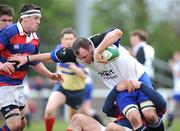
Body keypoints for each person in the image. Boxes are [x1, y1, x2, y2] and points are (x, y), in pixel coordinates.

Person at [8, 28, 165, 131]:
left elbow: (117, 32)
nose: (83, 60)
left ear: (90, 48)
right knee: (133, 118)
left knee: (150, 114)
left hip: (139, 78)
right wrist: (28, 59)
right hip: (120, 88)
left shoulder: (95, 42)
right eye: (79, 58)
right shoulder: (76, 55)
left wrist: (99, 52)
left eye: (85, 56)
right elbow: (49, 56)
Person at [0, 4, 62, 131]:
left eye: (39, 18)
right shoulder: (9, 32)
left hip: (18, 84)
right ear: (25, 18)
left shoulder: (35, 38)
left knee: (21, 126)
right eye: (36, 18)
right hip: (4, 84)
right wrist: (1, 65)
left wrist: (50, 75)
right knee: (14, 124)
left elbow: (34, 62)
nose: (39, 22)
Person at [44, 28, 87, 131]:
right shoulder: (59, 49)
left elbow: (84, 75)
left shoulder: (81, 53)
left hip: (77, 91)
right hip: (62, 88)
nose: (68, 41)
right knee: (49, 110)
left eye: (71, 39)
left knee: (73, 120)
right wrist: (56, 74)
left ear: (75, 40)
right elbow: (57, 64)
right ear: (61, 41)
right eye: (66, 39)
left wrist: (73, 66)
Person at [166, 51, 180, 129]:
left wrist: (172, 65)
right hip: (177, 90)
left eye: (177, 56)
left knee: (172, 107)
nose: (175, 57)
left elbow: (178, 74)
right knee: (171, 108)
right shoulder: (176, 65)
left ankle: (169, 124)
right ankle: (169, 125)